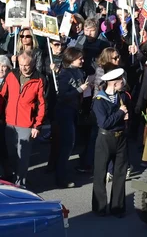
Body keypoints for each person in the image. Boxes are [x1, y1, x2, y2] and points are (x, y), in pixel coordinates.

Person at [0, 50, 45, 188]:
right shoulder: (11, 74)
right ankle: (16, 176)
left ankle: (20, 184)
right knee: (12, 154)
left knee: (23, 156)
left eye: (26, 65)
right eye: (20, 64)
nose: (23, 67)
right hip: (9, 121)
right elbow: (2, 96)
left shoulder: (39, 79)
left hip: (26, 123)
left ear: (32, 63)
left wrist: (37, 125)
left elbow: (42, 104)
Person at [92, 67, 130, 217]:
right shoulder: (99, 100)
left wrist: (125, 117)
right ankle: (100, 207)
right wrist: (120, 113)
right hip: (105, 138)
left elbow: (127, 113)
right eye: (121, 81)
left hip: (121, 137)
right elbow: (104, 123)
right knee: (100, 173)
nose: (124, 83)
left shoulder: (122, 97)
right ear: (114, 83)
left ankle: (117, 207)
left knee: (120, 173)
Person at [55, 47, 89, 188]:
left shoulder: (79, 71)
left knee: (70, 144)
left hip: (74, 110)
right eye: (79, 58)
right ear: (71, 58)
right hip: (65, 112)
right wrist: (80, 89)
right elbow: (62, 96)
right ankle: (61, 178)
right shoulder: (65, 74)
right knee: (66, 145)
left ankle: (61, 172)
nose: (82, 60)